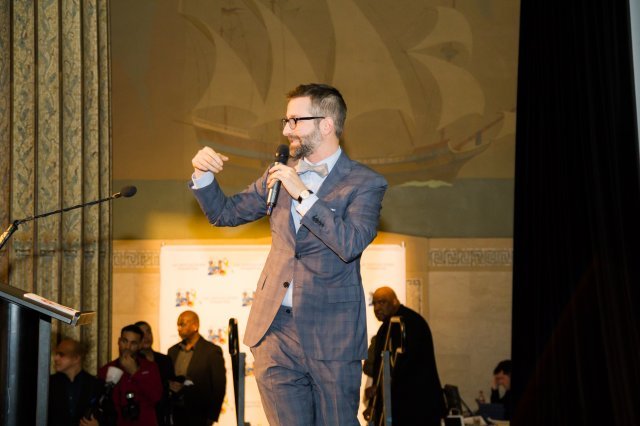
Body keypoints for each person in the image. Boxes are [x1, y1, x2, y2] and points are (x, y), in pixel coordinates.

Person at [190, 83, 387, 425]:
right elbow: (225, 213)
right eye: (286, 121)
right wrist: (202, 174)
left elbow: (351, 243)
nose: (286, 130)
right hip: (274, 331)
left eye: (295, 120)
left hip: (331, 334)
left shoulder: (365, 183)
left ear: (326, 124)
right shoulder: (278, 173)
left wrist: (305, 197)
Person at [363, 287, 446, 426]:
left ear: (395, 301)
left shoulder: (409, 323)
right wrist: (374, 404)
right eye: (375, 303)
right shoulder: (387, 327)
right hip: (402, 407)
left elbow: (403, 368)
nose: (377, 308)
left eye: (382, 302)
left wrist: (378, 401)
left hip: (417, 406)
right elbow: (380, 369)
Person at [167, 310, 226, 425]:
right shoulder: (172, 351)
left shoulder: (211, 351)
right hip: (175, 414)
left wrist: (212, 416)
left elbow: (219, 386)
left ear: (195, 326)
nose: (179, 328)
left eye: (183, 324)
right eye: (178, 325)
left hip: (200, 415)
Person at [98, 324, 162, 426]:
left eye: (133, 343)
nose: (127, 347)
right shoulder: (106, 370)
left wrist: (135, 372)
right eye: (124, 341)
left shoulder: (150, 367)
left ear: (140, 345)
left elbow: (156, 397)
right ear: (119, 341)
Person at [48, 338, 102, 426]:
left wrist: (98, 424)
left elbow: (110, 417)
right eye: (56, 354)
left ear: (76, 358)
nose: (55, 358)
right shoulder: (48, 384)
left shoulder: (96, 385)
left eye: (61, 354)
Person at [134, 321, 175, 426]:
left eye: (148, 332)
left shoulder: (165, 360)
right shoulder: (133, 362)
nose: (146, 337)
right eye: (142, 334)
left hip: (164, 414)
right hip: (143, 415)